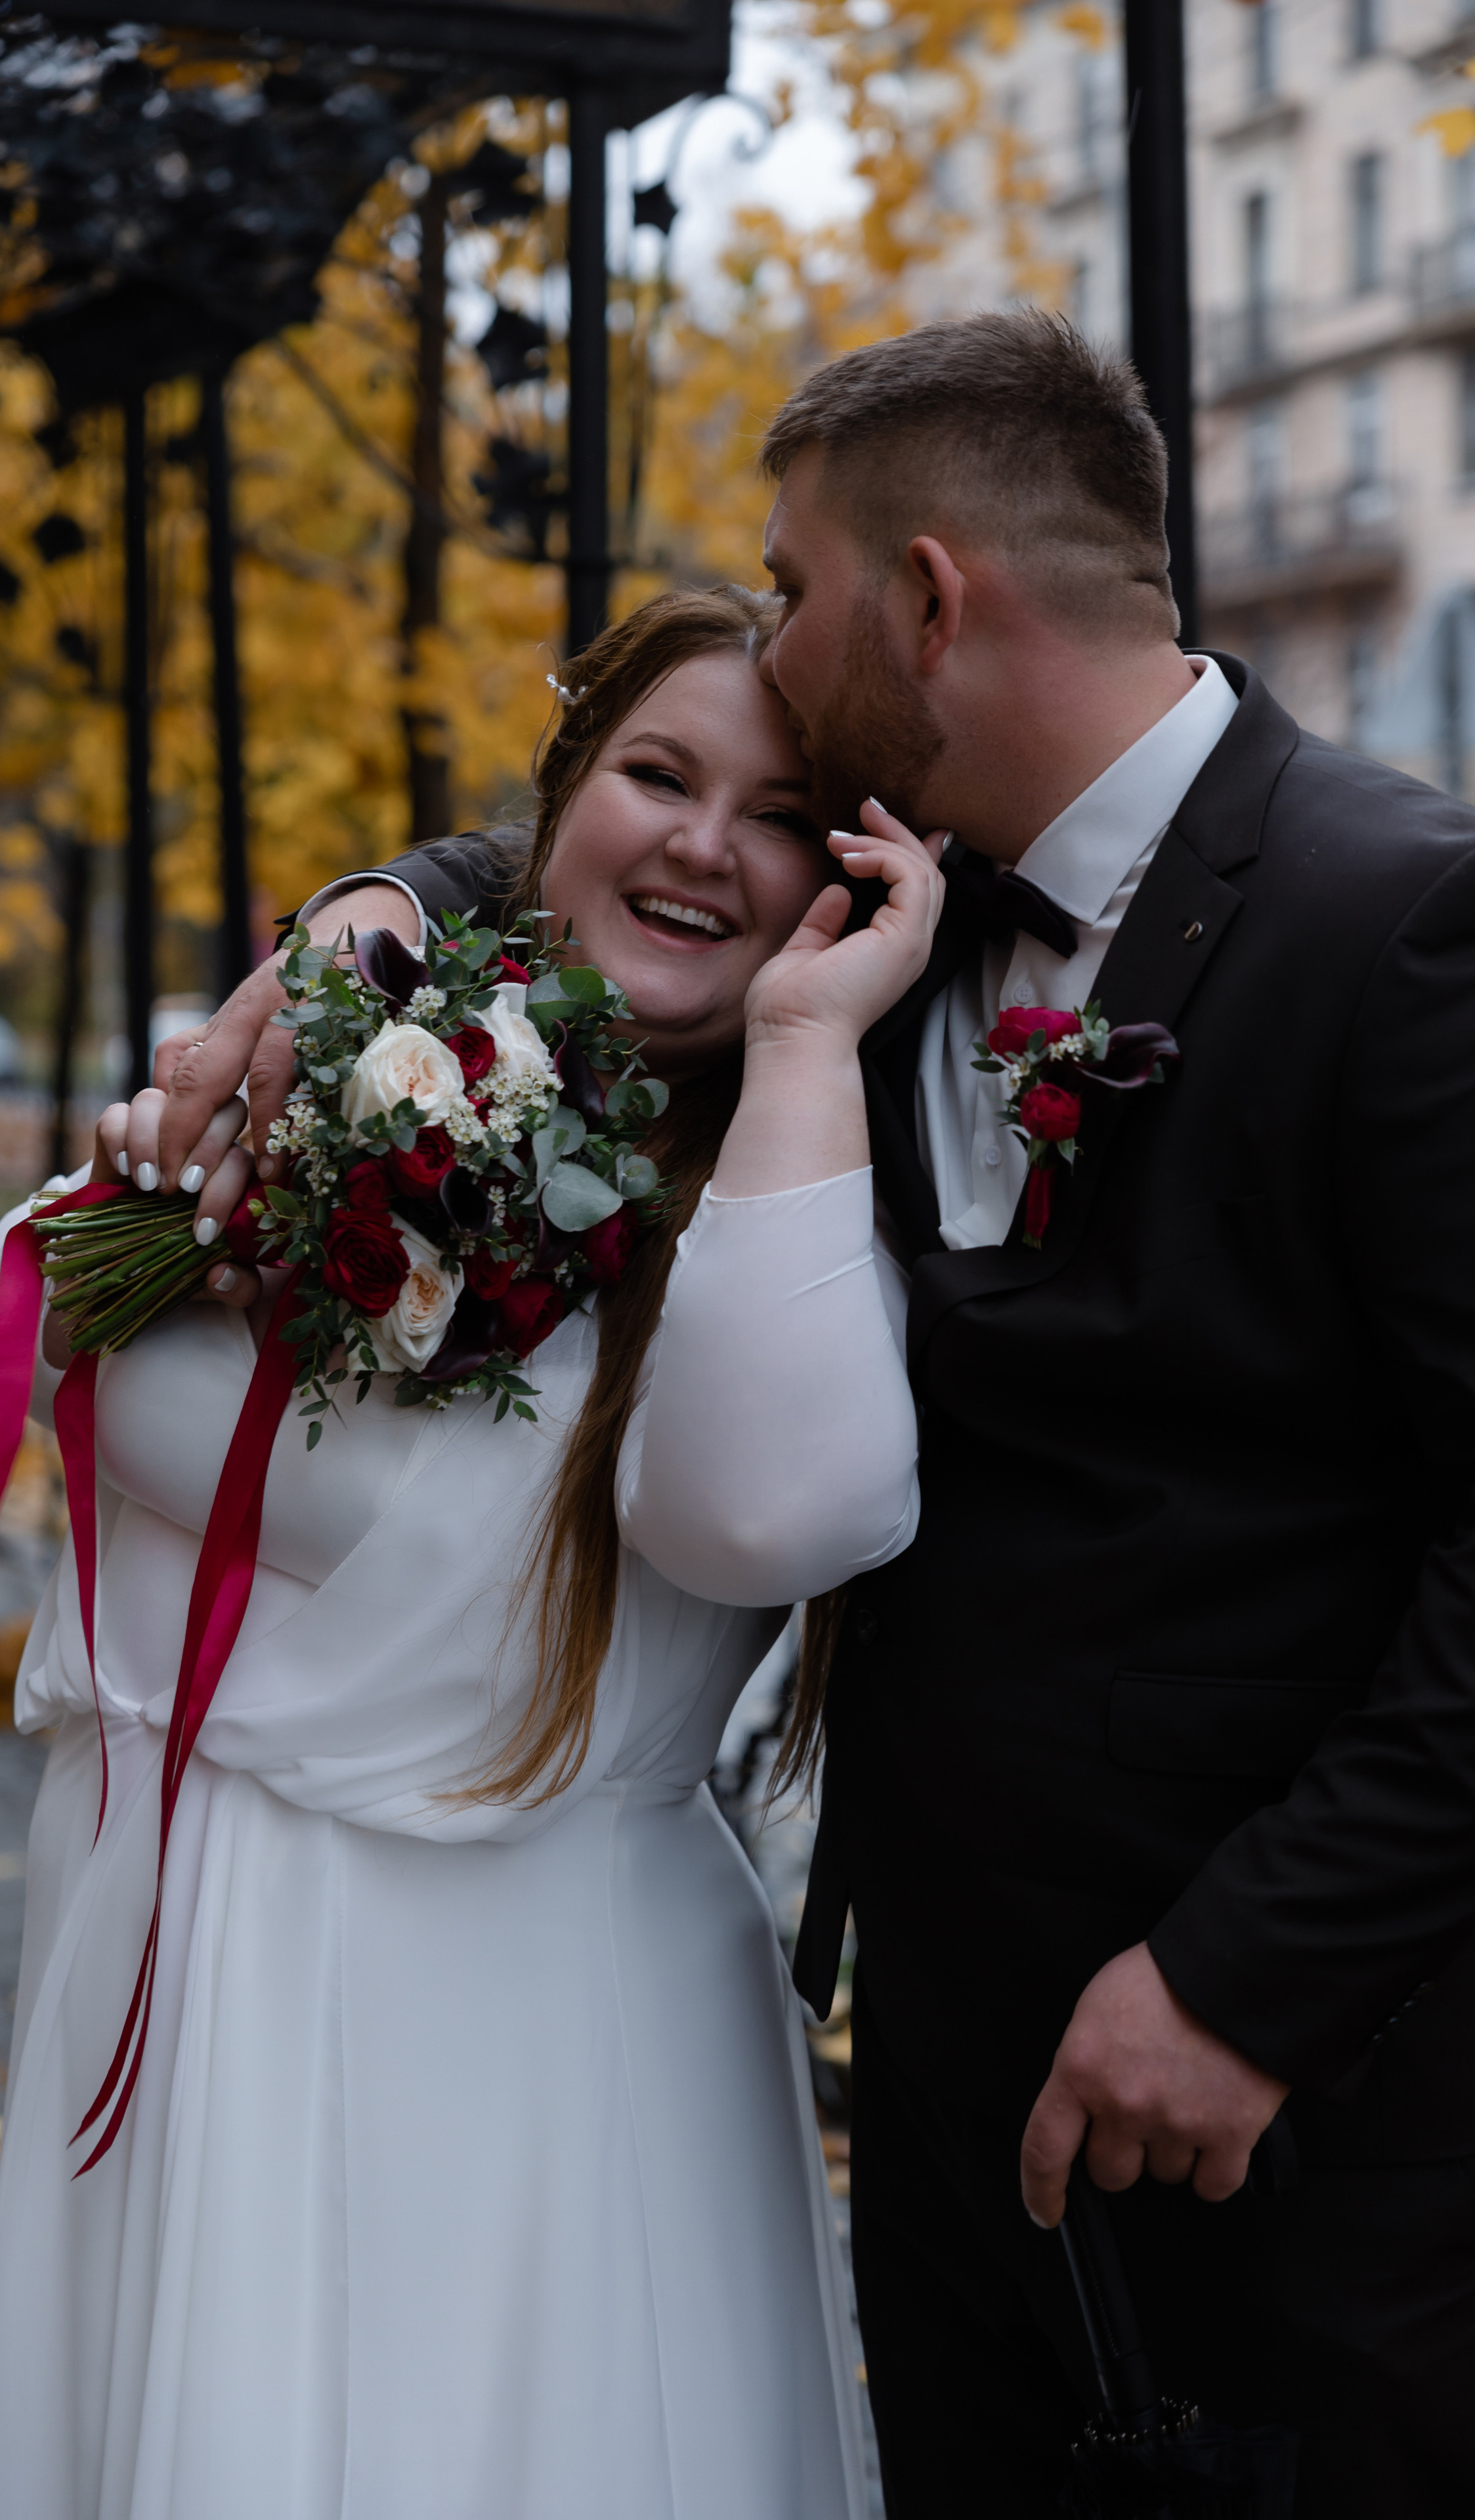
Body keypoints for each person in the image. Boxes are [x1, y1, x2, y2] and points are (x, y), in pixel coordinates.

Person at [156, 312, 1475, 2519]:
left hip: (1354, 2087)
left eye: (793, 586)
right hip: (963, 2068)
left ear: (930, 599)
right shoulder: (900, 909)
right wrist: (375, 911)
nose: (776, 639)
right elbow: (607, 869)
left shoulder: (1431, 923)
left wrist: (1250, 1984)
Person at [0, 583, 948, 2520]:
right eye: (656, 776)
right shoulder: (350, 1062)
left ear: (844, 886)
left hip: (539, 2016)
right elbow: (75, 1321)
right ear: (556, 804)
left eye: (774, 817)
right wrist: (192, 1190)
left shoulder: (817, 1190)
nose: (699, 840)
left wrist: (798, 1047)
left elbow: (761, 1511)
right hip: (189, 1950)